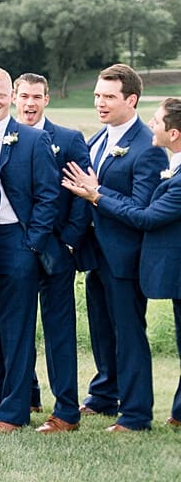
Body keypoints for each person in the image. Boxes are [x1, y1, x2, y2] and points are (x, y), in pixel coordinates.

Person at [63, 96, 181, 430]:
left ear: (131, 99)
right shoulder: (99, 138)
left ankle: (135, 413)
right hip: (95, 252)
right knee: (101, 330)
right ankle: (103, 395)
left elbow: (141, 208)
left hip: (125, 256)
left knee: (129, 334)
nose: (100, 102)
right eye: (97, 94)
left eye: (109, 96)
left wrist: (98, 193)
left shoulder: (148, 147)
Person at [0, 67, 58, 434]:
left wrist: (31, 242)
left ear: (12, 96)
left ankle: (15, 411)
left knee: (17, 329)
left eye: (0, 95)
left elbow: (48, 197)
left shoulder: (34, 140)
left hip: (17, 242)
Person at [12, 72, 91, 433]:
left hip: (57, 250)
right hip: (14, 251)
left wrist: (70, 241)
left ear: (47, 100)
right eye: (24, 96)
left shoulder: (69, 139)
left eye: (36, 97)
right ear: (15, 97)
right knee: (14, 328)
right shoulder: (0, 136)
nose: (29, 103)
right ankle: (22, 397)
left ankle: (66, 411)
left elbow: (82, 194)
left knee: (59, 331)